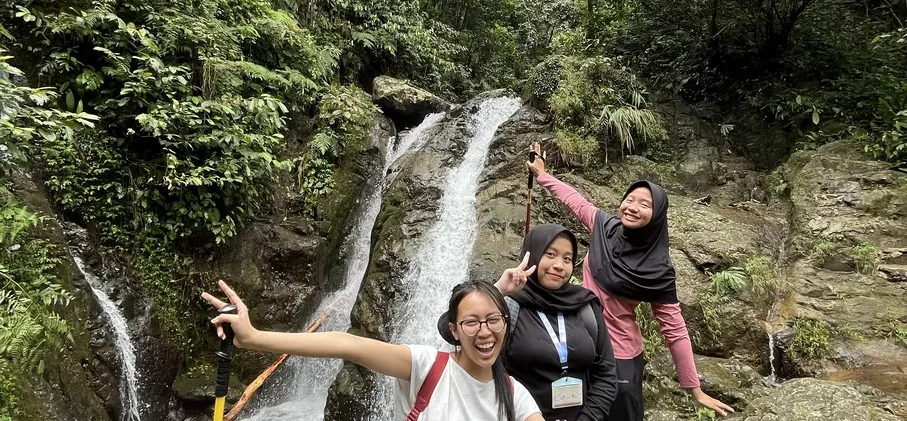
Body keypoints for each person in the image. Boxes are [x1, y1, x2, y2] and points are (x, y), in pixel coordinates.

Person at [526, 143, 734, 420]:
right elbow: (575, 201)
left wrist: (693, 387)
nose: (633, 207)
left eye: (645, 204)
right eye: (630, 199)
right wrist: (542, 175)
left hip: (618, 355)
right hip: (579, 344)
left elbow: (675, 329)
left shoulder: (658, 268)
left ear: (657, 215)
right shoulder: (605, 227)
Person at [203, 280, 544, 421]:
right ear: (454, 330)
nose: (484, 332)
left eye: (492, 320)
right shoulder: (427, 366)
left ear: (505, 323)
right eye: (472, 323)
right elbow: (347, 344)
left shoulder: (517, 397)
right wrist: (253, 338)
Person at [490, 223, 618, 421]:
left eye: (567, 258)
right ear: (532, 255)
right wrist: (498, 291)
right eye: (550, 254)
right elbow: (452, 332)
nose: (559, 265)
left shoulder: (585, 306)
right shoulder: (510, 305)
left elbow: (606, 373)